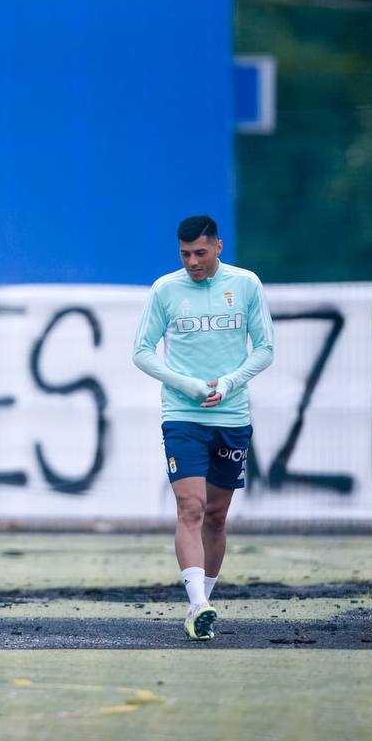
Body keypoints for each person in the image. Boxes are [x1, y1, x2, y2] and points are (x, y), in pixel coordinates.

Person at [132, 214, 274, 641]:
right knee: (190, 508)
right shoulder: (165, 289)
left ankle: (202, 605)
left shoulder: (246, 284)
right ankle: (198, 604)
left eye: (199, 252)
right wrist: (189, 386)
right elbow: (142, 351)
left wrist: (229, 383)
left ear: (218, 247)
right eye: (184, 254)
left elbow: (265, 349)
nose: (192, 261)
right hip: (182, 415)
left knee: (216, 515)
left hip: (232, 417)